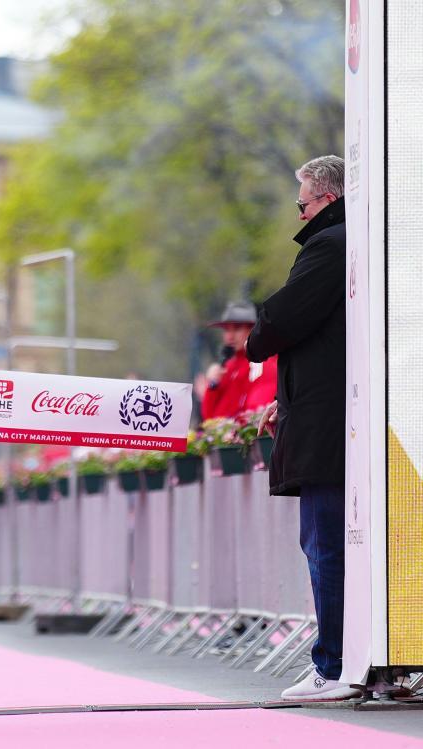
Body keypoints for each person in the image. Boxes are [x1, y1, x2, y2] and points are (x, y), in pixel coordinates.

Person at [246, 155, 355, 701]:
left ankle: (333, 666)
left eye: (303, 204)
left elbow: (282, 320)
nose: (299, 215)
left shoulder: (329, 245)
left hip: (326, 424)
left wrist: (259, 339)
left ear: (328, 200)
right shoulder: (359, 243)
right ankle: (365, 662)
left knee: (325, 544)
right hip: (342, 414)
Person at [198, 301, 278, 421]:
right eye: (226, 330)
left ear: (254, 329)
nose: (230, 336)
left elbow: (256, 414)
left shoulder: (265, 362)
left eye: (237, 328)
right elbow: (210, 419)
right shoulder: (229, 367)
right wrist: (212, 386)